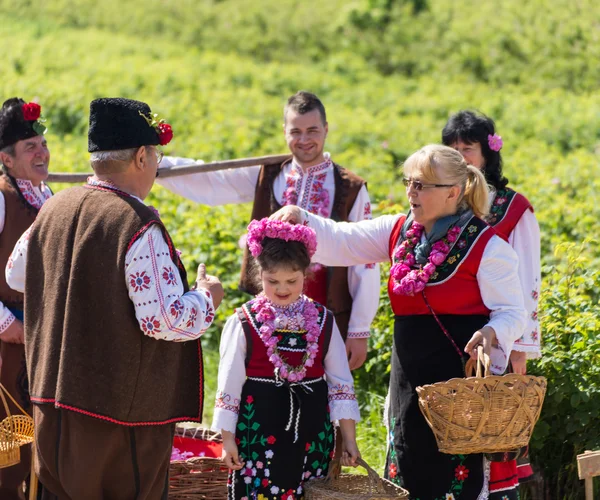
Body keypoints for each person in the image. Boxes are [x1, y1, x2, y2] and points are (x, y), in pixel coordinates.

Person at [270, 144, 527, 500]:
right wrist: (302, 218)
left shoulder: (488, 247)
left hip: (458, 387)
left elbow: (514, 312)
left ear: (453, 192)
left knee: (455, 481)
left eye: (422, 185)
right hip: (408, 383)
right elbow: (344, 240)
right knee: (407, 469)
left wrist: (491, 331)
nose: (411, 192)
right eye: (409, 182)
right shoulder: (399, 231)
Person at [6, 97, 224, 499]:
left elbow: (16, 275)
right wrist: (206, 298)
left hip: (53, 408)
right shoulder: (137, 225)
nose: (156, 164)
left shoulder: (53, 208)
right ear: (141, 156)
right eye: (156, 155)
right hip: (118, 422)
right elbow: (165, 320)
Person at [157, 91, 380, 370]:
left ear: (326, 129)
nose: (304, 139)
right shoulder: (269, 173)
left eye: (312, 130)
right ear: (284, 132)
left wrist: (359, 330)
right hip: (270, 305)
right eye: (295, 131)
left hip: (329, 309)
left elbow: (366, 260)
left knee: (324, 391)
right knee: (264, 383)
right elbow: (212, 179)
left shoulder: (351, 188)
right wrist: (158, 165)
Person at [212, 218, 360, 500]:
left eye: (291, 281)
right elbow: (229, 385)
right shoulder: (244, 321)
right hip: (258, 429)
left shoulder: (323, 319)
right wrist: (227, 439)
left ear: (306, 275)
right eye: (272, 281)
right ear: (259, 274)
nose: (282, 289)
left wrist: (349, 439)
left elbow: (341, 383)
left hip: (312, 431)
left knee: (309, 491)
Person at [442, 110, 542, 498]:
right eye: (452, 151)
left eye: (468, 150)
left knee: (486, 430)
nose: (461, 159)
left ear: (488, 154)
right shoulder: (442, 203)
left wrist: (520, 349)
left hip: (494, 341)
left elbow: (528, 282)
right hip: (446, 336)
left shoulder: (513, 210)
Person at [0, 97, 52, 500]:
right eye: (30, 147)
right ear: (7, 158)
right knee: (6, 451)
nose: (42, 152)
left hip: (41, 341)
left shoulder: (47, 195)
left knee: (40, 446)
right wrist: (7, 324)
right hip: (6, 344)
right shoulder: (1, 199)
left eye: (43, 143)